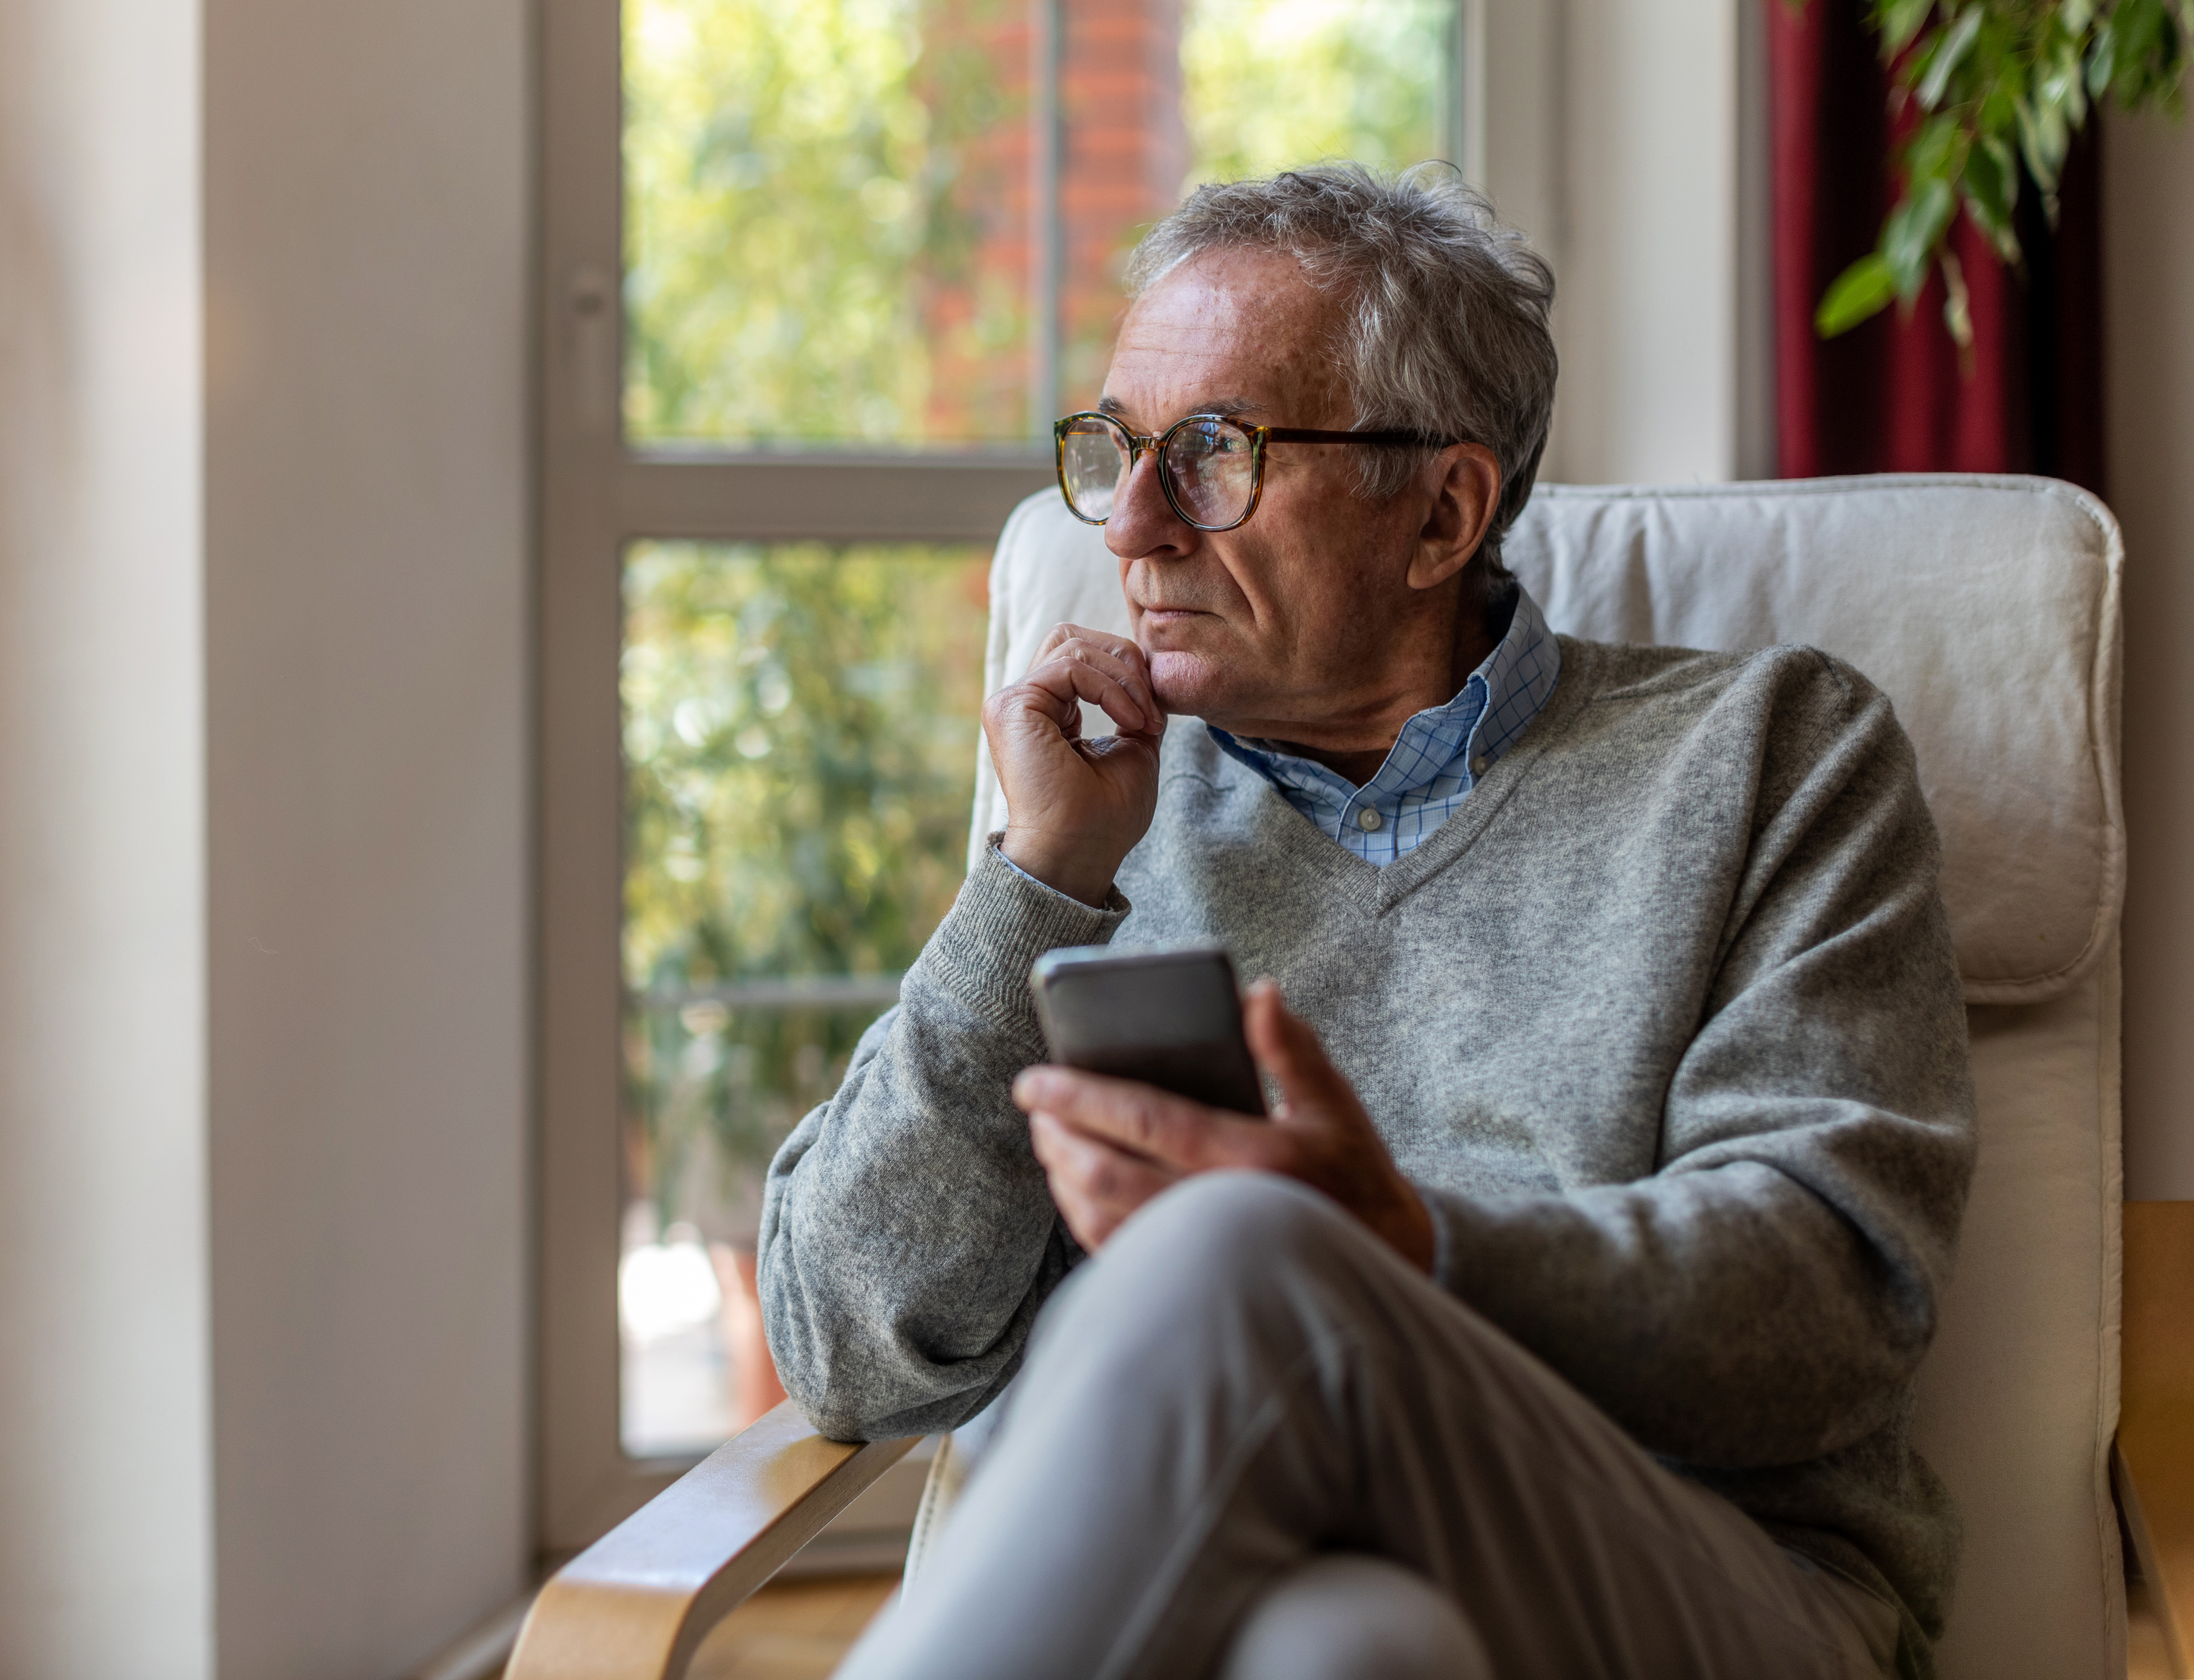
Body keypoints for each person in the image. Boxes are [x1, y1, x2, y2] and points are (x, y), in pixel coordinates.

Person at [756, 164, 1973, 1680]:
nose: (1131, 526)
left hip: (1701, 1586)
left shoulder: (1770, 755)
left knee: (1242, 1253)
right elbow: (844, 1346)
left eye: (1209, 454)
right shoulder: (1096, 821)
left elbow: (1838, 1304)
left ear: (1444, 511)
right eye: (1116, 450)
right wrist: (1034, 887)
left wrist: (1400, 1244)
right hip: (1285, 1593)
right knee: (1347, 1649)